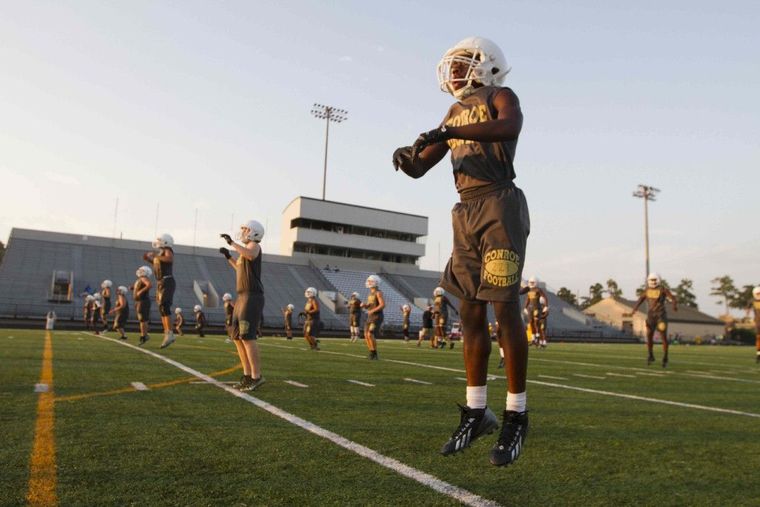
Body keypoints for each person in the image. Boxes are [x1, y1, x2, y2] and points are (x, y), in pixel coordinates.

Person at [393, 36, 530, 466]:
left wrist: (450, 131)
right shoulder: (452, 112)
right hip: (465, 210)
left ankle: (517, 417)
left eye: (462, 63)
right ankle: (476, 411)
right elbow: (424, 165)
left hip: (498, 204)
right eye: (453, 64)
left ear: (487, 65)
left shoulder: (501, 96)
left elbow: (509, 127)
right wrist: (407, 157)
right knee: (469, 311)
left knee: (504, 309)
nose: (454, 71)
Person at [219, 219, 266, 391]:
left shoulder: (254, 246)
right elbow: (239, 268)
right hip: (242, 297)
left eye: (246, 229)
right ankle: (247, 375)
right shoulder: (244, 252)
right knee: (237, 337)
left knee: (247, 337)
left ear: (254, 232)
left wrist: (232, 243)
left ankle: (256, 376)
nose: (243, 231)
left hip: (252, 297)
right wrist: (228, 257)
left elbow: (250, 254)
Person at [630, 273, 678, 367]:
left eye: (655, 280)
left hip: (661, 316)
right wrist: (634, 310)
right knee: (649, 335)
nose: (653, 282)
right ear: (648, 281)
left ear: (659, 280)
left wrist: (674, 305)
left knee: (663, 337)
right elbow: (640, 300)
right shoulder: (646, 291)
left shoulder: (663, 290)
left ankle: (665, 357)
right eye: (651, 280)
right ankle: (650, 355)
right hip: (651, 316)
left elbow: (673, 298)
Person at [144, 233, 176, 349]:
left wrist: (156, 257)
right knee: (162, 308)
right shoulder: (160, 254)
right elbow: (158, 265)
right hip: (161, 282)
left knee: (164, 306)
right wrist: (149, 259)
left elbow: (169, 259)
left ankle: (170, 333)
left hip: (167, 281)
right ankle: (167, 332)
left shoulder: (167, 250)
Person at [520, 277, 550, 348]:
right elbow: (527, 299)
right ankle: (533, 338)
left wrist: (546, 306)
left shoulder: (538, 289)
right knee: (531, 322)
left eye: (533, 282)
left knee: (536, 322)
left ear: (536, 282)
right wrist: (525, 307)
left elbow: (545, 297)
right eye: (530, 282)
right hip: (530, 308)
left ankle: (537, 337)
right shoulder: (529, 290)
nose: (531, 284)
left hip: (537, 308)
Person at [362, 275, 385, 360]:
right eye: (368, 281)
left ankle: (374, 353)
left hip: (377, 316)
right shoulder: (370, 294)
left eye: (370, 281)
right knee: (365, 335)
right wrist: (365, 305)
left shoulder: (378, 292)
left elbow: (382, 305)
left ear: (375, 282)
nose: (368, 282)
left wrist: (373, 310)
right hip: (370, 316)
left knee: (370, 333)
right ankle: (371, 352)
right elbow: (369, 305)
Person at [133, 265, 153, 346]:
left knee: (142, 320)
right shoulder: (140, 279)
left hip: (143, 301)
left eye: (141, 270)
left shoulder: (144, 278)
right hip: (140, 301)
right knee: (142, 320)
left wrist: (140, 291)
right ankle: (145, 335)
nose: (139, 271)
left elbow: (149, 285)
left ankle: (143, 336)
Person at [748, 286, 760, 363]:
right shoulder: (752, 301)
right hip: (758, 323)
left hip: (758, 323)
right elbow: (748, 309)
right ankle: (758, 354)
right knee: (758, 338)